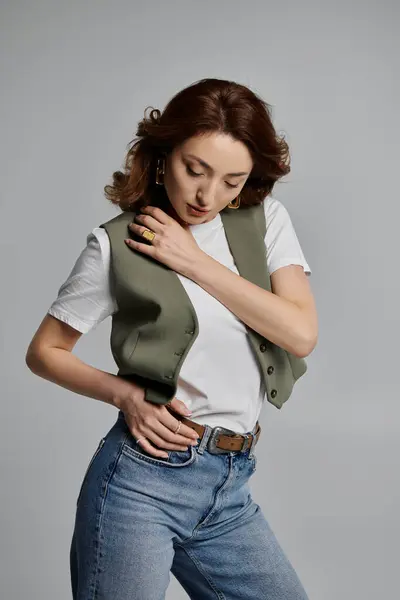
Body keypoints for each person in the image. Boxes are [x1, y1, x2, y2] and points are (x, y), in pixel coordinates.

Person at [26, 78, 318, 599]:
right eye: (195, 170)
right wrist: (124, 394)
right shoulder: (116, 242)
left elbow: (299, 334)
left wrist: (193, 260)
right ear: (164, 157)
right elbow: (44, 352)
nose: (209, 195)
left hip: (229, 486)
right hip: (142, 482)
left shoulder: (267, 220)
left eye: (233, 180)